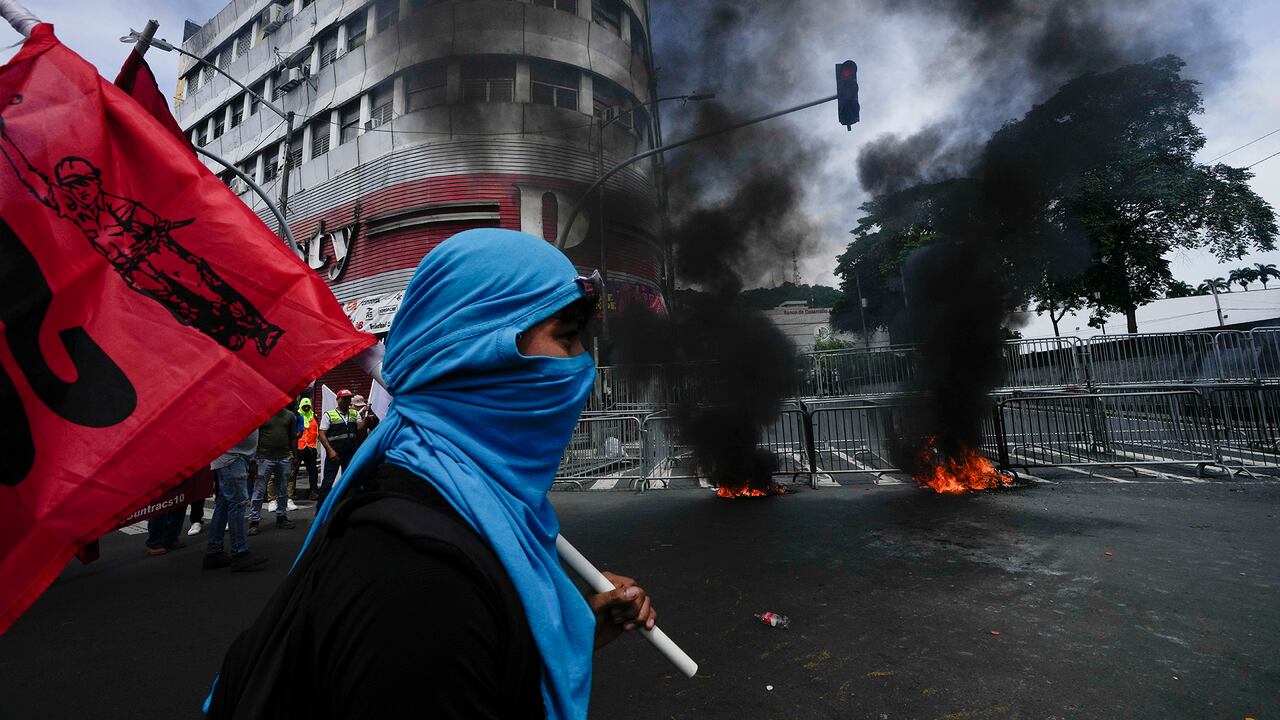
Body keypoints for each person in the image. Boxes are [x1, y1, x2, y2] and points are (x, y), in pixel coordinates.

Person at [205, 229, 654, 719]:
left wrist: (571, 631)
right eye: (567, 338)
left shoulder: (478, 513)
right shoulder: (418, 584)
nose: (582, 367)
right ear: (480, 353)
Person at [0, 107, 283, 356]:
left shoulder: (119, 203)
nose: (79, 189)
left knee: (210, 289)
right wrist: (6, 141)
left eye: (83, 182)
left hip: (160, 253)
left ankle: (260, 330)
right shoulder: (70, 207)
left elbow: (158, 225)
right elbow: (29, 177)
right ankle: (229, 337)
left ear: (95, 181)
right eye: (71, 185)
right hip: (135, 271)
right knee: (182, 308)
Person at [203, 430, 267, 572]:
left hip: (234, 457)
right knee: (238, 504)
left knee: (225, 503)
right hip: (232, 458)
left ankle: (214, 551)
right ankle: (239, 552)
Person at [248, 405, 298, 534]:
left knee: (283, 489)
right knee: (259, 490)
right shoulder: (262, 414)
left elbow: (293, 437)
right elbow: (254, 437)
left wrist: (295, 456)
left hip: (284, 457)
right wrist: (253, 459)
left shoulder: (289, 415)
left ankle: (281, 516)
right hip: (264, 458)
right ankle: (254, 520)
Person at [315, 389, 363, 505]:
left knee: (350, 481)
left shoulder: (354, 413)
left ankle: (347, 504)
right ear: (338, 399)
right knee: (327, 482)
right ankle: (321, 508)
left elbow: (360, 428)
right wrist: (330, 451)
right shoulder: (329, 415)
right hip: (335, 454)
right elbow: (321, 434)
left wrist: (367, 418)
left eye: (348, 398)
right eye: (344, 398)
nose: (346, 400)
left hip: (350, 453)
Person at [292, 397, 320, 500]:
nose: (307, 408)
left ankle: (313, 491)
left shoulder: (314, 416)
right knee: (294, 471)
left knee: (313, 471)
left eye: (308, 406)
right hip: (298, 448)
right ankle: (292, 492)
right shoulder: (296, 416)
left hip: (311, 447)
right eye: (304, 406)